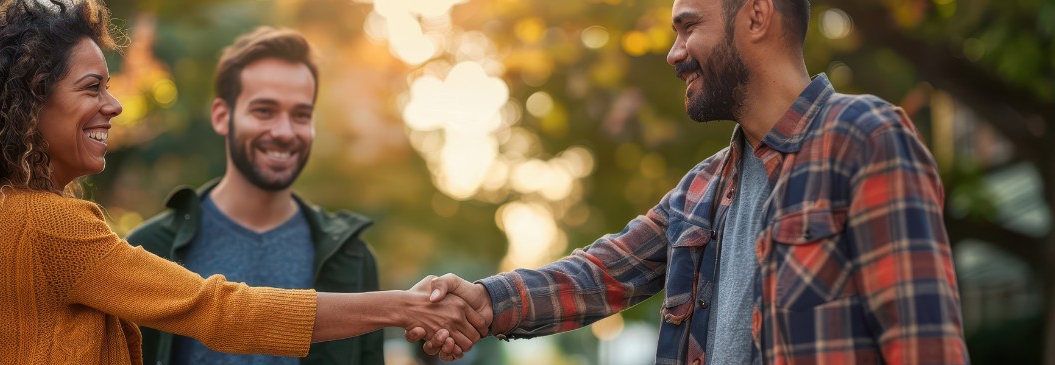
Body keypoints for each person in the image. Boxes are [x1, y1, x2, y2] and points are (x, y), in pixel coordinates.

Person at [0, 1, 485, 364]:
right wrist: (403, 306)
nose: (113, 106)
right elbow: (218, 310)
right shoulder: (45, 224)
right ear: (30, 102)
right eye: (92, 88)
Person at [410, 0, 969, 363]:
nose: (674, 53)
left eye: (688, 27)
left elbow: (926, 346)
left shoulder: (864, 137)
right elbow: (600, 273)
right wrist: (484, 301)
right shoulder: (701, 190)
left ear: (755, 16)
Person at [125, 27, 383, 365]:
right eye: (264, 111)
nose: (284, 132)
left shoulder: (352, 259)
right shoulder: (150, 249)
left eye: (301, 115)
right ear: (222, 116)